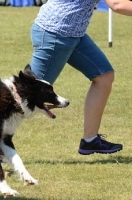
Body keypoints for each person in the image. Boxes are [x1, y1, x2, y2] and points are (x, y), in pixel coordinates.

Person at [29, 0, 132, 155]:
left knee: (103, 76)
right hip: (55, 34)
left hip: (73, 34)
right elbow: (117, 4)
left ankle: (90, 141)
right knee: (28, 95)